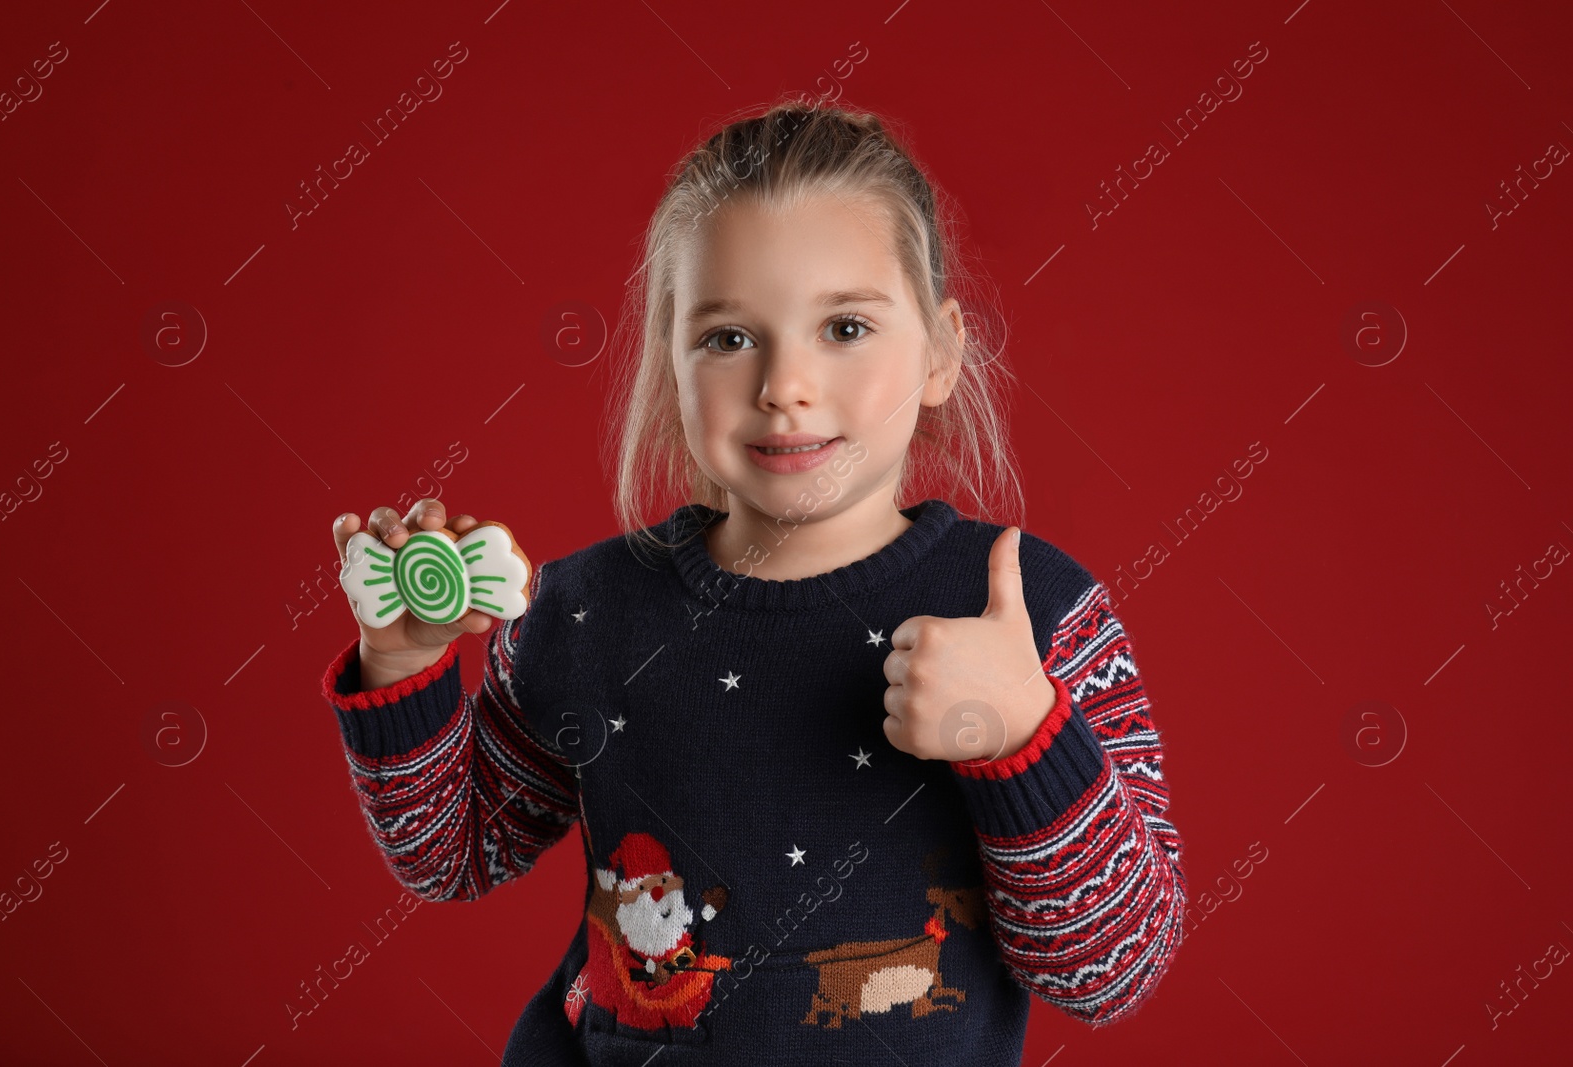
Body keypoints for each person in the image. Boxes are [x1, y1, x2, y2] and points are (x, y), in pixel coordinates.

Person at [321, 99, 1185, 1065]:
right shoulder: (584, 610)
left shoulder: (1032, 612)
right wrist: (401, 661)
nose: (784, 384)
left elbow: (1112, 969)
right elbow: (454, 851)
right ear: (669, 358)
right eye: (729, 338)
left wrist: (1027, 737)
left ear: (942, 351)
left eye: (846, 326)